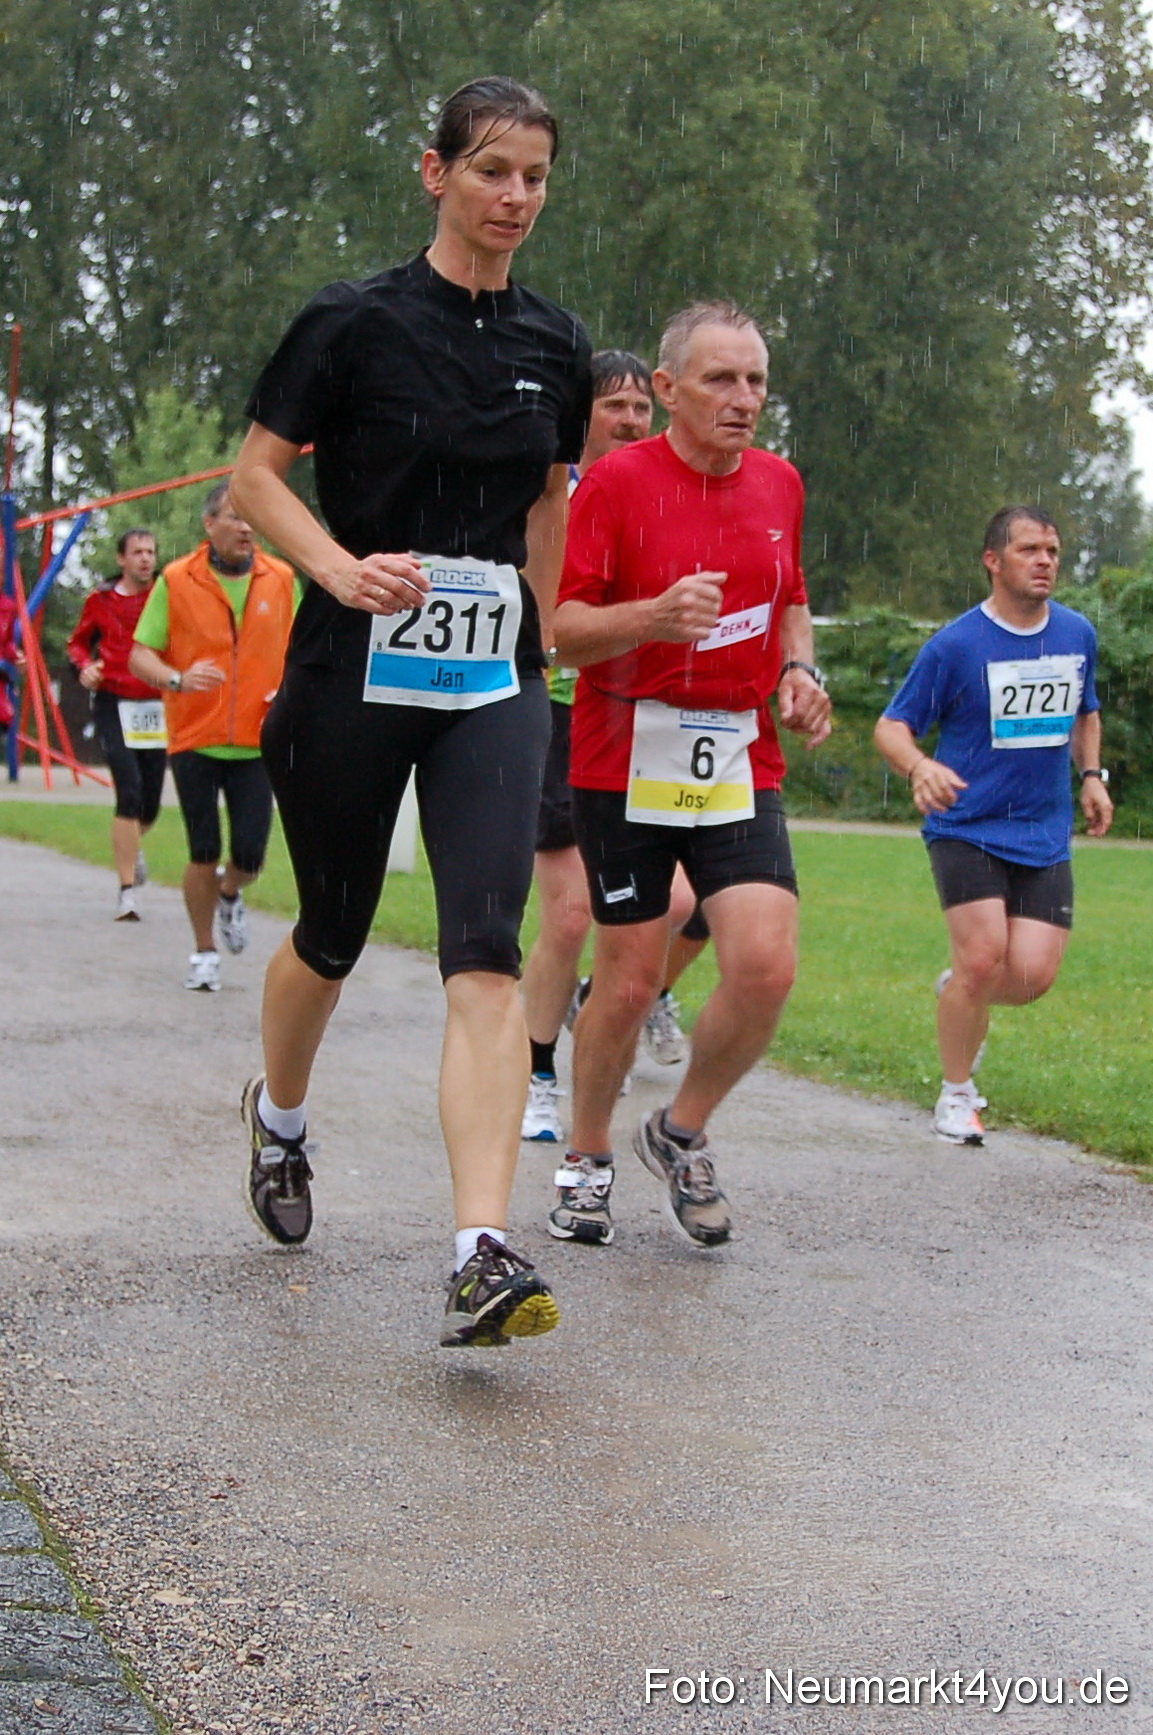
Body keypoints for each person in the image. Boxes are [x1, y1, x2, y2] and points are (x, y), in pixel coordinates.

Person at [229, 76, 592, 1349]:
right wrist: (338, 569)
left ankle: (480, 1250)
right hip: (350, 668)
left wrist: (536, 635)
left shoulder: (555, 341)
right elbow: (256, 476)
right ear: (433, 174)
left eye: (536, 176)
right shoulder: (352, 321)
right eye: (493, 170)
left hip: (488, 678)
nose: (516, 196)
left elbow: (548, 498)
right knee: (330, 932)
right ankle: (277, 1118)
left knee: (484, 954)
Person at [547, 300, 831, 1248]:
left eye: (755, 379)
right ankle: (585, 1156)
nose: (743, 398)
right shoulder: (618, 484)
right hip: (623, 754)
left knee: (764, 962)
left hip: (737, 755)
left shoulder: (781, 485)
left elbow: (789, 601)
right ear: (666, 389)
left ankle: (679, 1129)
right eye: (720, 378)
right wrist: (651, 617)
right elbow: (564, 630)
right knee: (626, 982)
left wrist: (799, 670)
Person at [874, 505, 1113, 1145]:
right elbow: (891, 726)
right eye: (1030, 549)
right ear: (993, 561)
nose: (1044, 562)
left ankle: (961, 993)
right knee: (983, 956)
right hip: (966, 824)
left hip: (1043, 829)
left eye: (1053, 551)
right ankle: (957, 1094)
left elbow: (1086, 710)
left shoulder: (1076, 634)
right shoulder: (955, 645)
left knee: (1031, 977)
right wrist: (919, 766)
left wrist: (1092, 775)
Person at [520, 350, 694, 1145]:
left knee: (689, 906)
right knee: (567, 914)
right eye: (611, 406)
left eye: (638, 407)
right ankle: (536, 1072)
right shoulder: (551, 491)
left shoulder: (666, 493)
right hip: (557, 714)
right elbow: (545, 609)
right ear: (579, 414)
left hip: (650, 719)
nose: (629, 420)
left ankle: (616, 1002)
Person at [128, 484, 296, 990]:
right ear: (210, 524)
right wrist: (178, 679)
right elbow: (141, 655)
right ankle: (203, 952)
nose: (246, 528)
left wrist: (291, 692)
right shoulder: (177, 580)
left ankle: (230, 893)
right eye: (234, 517)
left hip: (257, 739)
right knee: (203, 847)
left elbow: (304, 651)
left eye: (251, 520)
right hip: (195, 737)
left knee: (249, 853)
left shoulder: (283, 579)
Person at [68, 528, 165, 920]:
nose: (145, 558)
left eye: (151, 551)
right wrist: (85, 666)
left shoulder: (166, 595)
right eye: (137, 552)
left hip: (156, 704)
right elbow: (78, 643)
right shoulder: (101, 600)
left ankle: (132, 848)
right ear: (121, 559)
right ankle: (127, 891)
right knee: (129, 789)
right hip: (113, 700)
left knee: (151, 804)